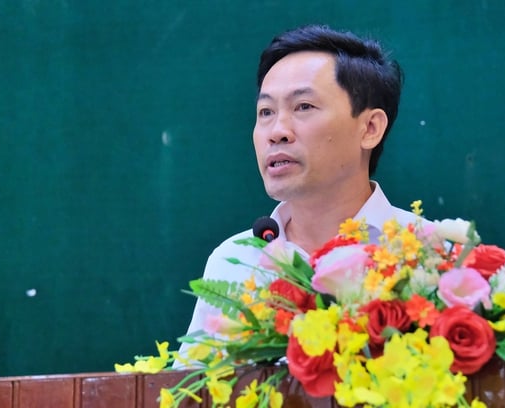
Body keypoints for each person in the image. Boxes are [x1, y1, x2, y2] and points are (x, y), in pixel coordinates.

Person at [177, 24, 420, 359]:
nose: (277, 131)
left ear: (370, 128)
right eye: (265, 112)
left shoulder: (434, 255)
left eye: (303, 106)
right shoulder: (234, 261)